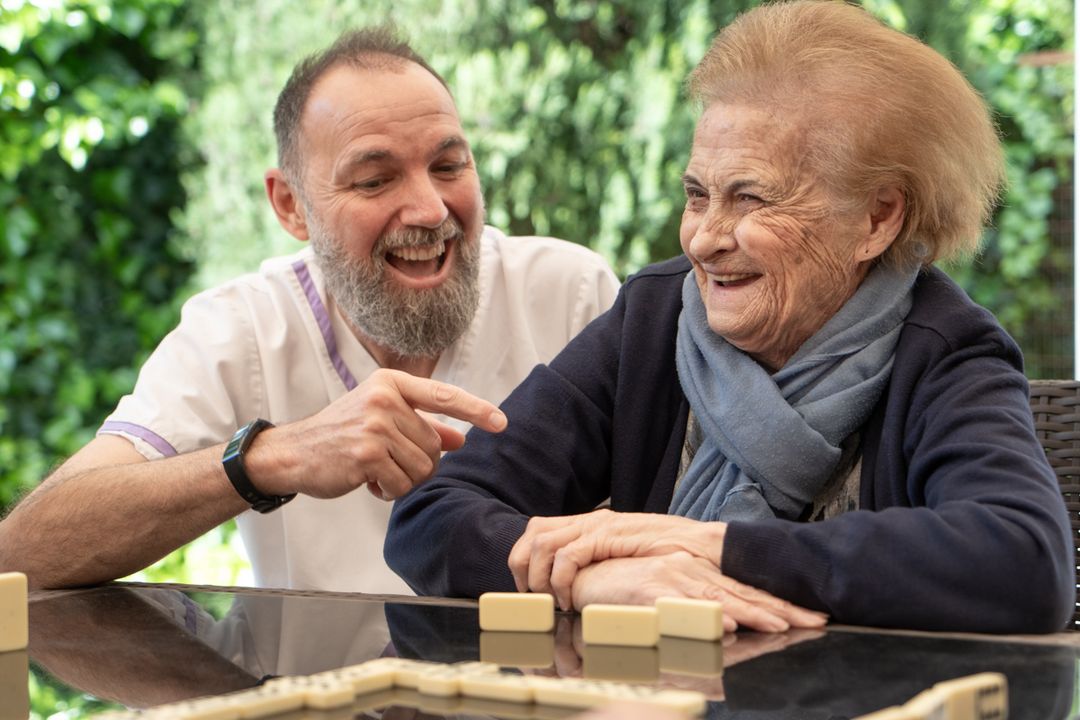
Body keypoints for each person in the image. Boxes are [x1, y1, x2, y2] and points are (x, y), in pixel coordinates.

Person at [386, 0, 1075, 634]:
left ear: (877, 217)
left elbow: (1024, 564)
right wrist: (598, 579)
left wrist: (704, 544)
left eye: (750, 199)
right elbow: (430, 519)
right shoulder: (652, 322)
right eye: (697, 194)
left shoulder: (946, 351)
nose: (704, 239)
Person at [0, 26, 619, 593]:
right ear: (291, 205)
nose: (430, 210)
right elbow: (25, 552)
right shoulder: (239, 334)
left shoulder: (572, 294)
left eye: (448, 165)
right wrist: (271, 458)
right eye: (375, 180)